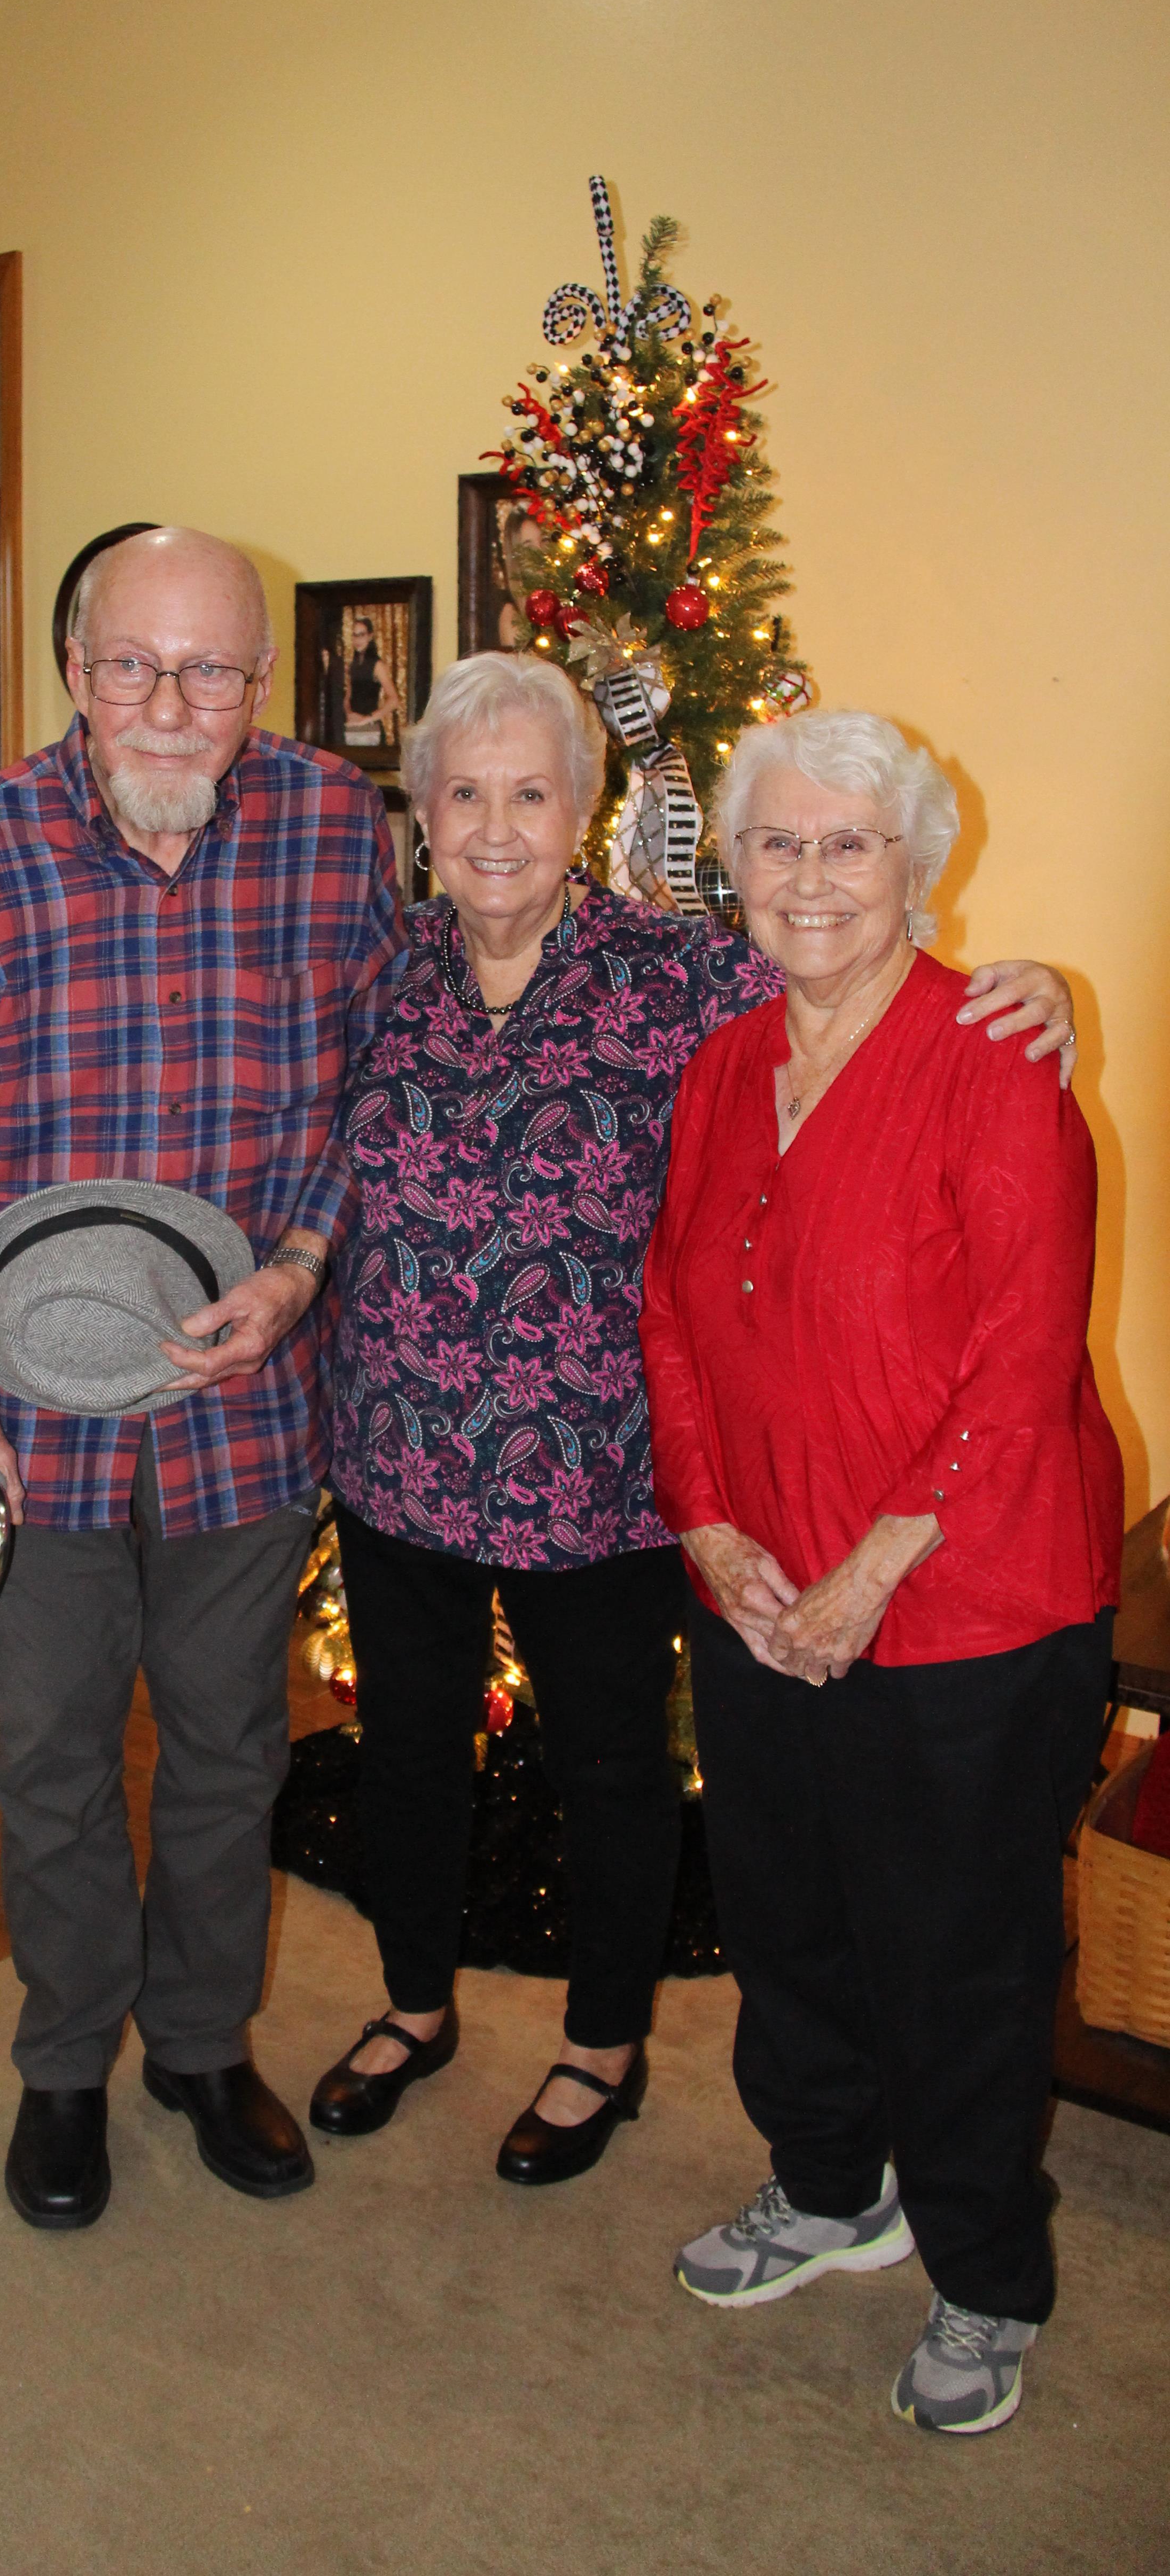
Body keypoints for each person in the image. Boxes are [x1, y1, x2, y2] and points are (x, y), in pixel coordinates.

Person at [310, 654, 1079, 2188]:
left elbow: (860, 997)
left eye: (533, 793)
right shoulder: (380, 971)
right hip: (392, 1447)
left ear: (588, 809)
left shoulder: (680, 973)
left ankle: (601, 2047)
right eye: (466, 795)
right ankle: (411, 2007)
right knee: (407, 1754)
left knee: (610, 1771)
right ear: (427, 817)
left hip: (602, 1471)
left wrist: (1037, 987)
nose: (500, 828)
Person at [0, 526, 407, 2229]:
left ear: (264, 682)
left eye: (212, 672)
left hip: (251, 1398)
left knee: (227, 1747)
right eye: (133, 667)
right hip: (35, 1418)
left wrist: (302, 1265)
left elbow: (368, 1096)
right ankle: (60, 2069)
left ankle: (194, 2044)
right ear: (74, 671)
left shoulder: (337, 831)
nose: (172, 708)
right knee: (49, 1760)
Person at [640, 709, 1121, 2436]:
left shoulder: (992, 1058)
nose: (811, 876)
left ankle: (986, 2275)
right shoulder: (714, 1069)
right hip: (756, 1584)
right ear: (735, 874)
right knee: (786, 1923)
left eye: (850, 844)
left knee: (958, 1956)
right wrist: (710, 1530)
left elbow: (1016, 1358)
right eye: (778, 844)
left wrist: (866, 1574)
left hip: (969, 1605)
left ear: (919, 867)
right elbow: (670, 1317)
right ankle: (829, 2187)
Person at [341, 612, 402, 751]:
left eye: (361, 635)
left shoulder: (377, 665)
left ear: (370, 636)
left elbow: (394, 700)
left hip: (371, 730)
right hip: (353, 729)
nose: (358, 640)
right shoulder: (353, 665)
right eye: (355, 635)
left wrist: (368, 719)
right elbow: (348, 697)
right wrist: (350, 714)